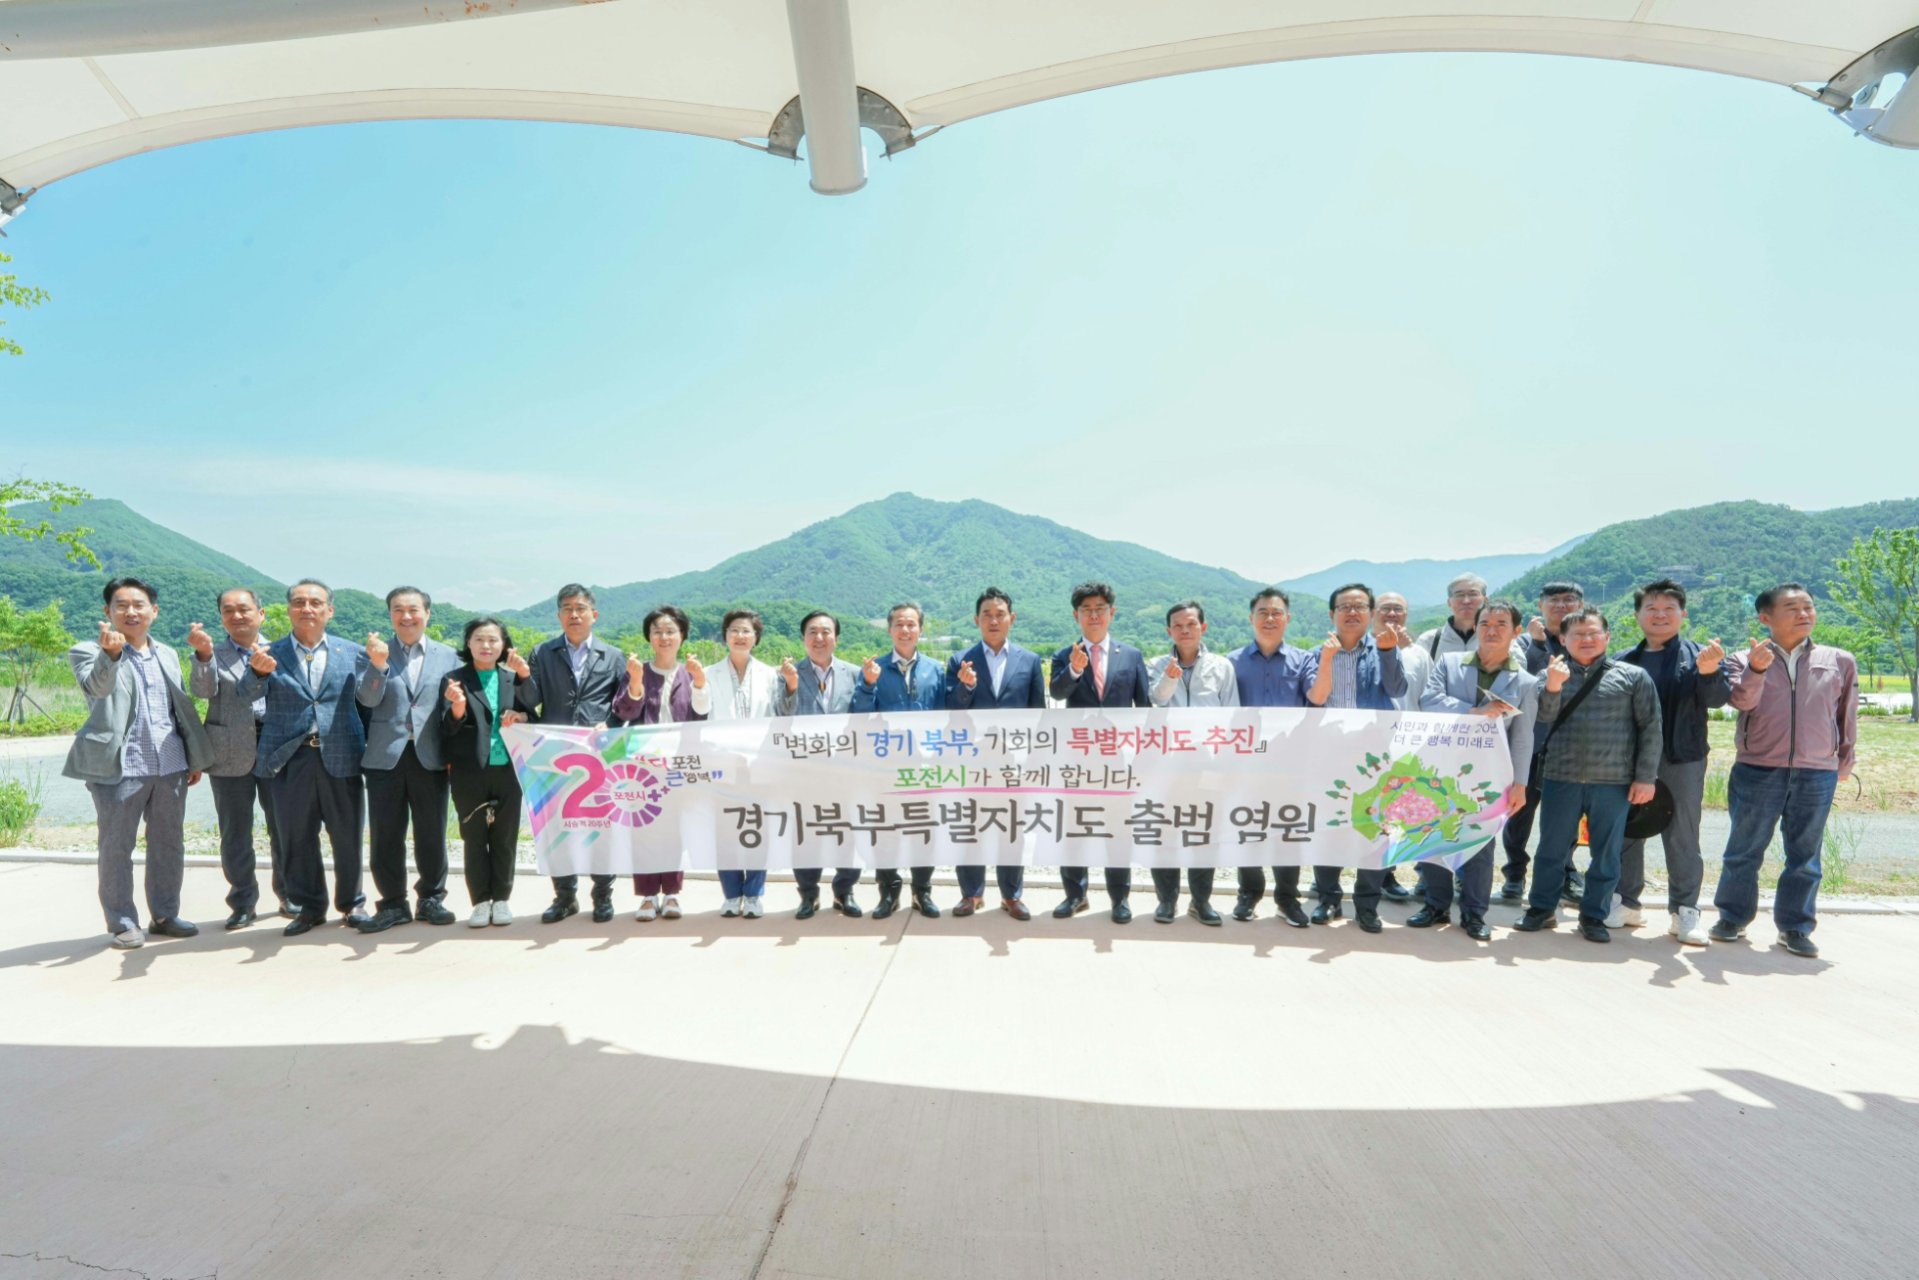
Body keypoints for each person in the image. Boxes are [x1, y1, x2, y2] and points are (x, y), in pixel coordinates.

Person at [1710, 584, 1858, 959]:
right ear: (1766, 617)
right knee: (1743, 850)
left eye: (1808, 607)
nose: (1804, 614)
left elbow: (1846, 715)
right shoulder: (1742, 659)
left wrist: (1844, 760)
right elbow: (1742, 702)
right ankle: (1732, 917)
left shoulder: (1839, 660)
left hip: (1817, 771)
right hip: (1757, 768)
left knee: (1805, 855)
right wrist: (1757, 669)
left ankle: (1795, 927)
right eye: (1792, 608)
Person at [64, 577, 212, 949]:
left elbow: (178, 710)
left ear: (154, 611)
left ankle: (165, 915)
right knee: (116, 847)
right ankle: (122, 922)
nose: (131, 612)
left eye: (139, 604)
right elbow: (97, 689)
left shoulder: (167, 654)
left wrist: (192, 757)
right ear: (108, 611)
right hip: (119, 767)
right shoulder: (86, 651)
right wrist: (110, 655)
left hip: (170, 764)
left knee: (169, 843)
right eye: (122, 605)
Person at [1513, 606, 1661, 944]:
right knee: (1551, 849)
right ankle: (1541, 909)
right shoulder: (1549, 674)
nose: (1586, 639)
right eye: (1578, 634)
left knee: (1606, 854)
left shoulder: (1633, 676)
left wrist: (1646, 777)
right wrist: (1553, 687)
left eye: (1594, 633)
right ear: (1563, 639)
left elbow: (1651, 728)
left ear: (1607, 637)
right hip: (1560, 777)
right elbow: (1542, 719)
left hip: (1613, 780)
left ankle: (1594, 915)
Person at [237, 579, 372, 937]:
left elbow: (370, 701)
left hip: (341, 754)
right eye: (299, 602)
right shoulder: (269, 652)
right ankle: (309, 907)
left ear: (330, 610)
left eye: (315, 602)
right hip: (289, 757)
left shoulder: (353, 652)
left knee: (347, 834)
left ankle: (353, 903)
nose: (306, 609)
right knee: (296, 836)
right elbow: (245, 695)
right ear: (289, 610)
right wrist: (257, 672)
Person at [1413, 599, 1539, 941]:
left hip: (1489, 775)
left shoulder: (1525, 682)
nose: (1491, 630)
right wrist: (1475, 711)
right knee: (1434, 836)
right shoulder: (1450, 663)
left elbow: (1523, 737)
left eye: (1501, 624)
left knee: (1480, 845)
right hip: (1440, 768)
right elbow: (1429, 701)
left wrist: (1520, 784)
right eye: (1485, 623)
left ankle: (1474, 913)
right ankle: (1435, 904)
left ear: (1516, 631)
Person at [1615, 579, 1731, 946]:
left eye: (1669, 609)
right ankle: (1625, 902)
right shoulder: (1622, 660)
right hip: (1630, 759)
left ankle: (1684, 910)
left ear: (1683, 614)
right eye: (1651, 608)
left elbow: (1717, 700)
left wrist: (1709, 671)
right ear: (1638, 615)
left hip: (1682, 758)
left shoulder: (1699, 655)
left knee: (1682, 834)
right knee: (1628, 829)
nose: (1660, 615)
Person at [353, 586, 463, 933]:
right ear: (390, 615)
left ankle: (431, 899)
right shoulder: (371, 654)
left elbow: (453, 708)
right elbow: (367, 700)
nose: (406, 616)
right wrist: (378, 665)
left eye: (413, 609)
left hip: (430, 755)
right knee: (385, 834)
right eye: (398, 610)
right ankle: (392, 904)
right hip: (385, 756)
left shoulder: (450, 657)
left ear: (427, 613)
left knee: (432, 832)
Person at [1302, 583, 1408, 932]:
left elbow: (1397, 689)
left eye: (1359, 606)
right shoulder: (1316, 654)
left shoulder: (1384, 648)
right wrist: (1327, 659)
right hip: (1329, 755)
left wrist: (1389, 653)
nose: (1351, 612)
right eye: (1344, 607)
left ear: (1371, 614)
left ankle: (1367, 906)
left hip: (1376, 758)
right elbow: (1314, 700)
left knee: (1374, 829)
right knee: (1328, 828)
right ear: (1331, 614)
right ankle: (1328, 899)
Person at [517, 584, 625, 924]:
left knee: (602, 827)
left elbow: (623, 705)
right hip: (554, 754)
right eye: (567, 609)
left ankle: (603, 896)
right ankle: (564, 897)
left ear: (594, 614)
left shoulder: (613, 655)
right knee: (557, 826)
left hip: (598, 755)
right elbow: (530, 700)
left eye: (580, 608)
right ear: (558, 615)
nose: (574, 614)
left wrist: (610, 724)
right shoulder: (542, 652)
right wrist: (523, 678)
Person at [1048, 581, 1152, 923]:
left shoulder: (1131, 655)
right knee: (1074, 828)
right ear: (1076, 616)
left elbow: (1144, 708)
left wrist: (1142, 758)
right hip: (1077, 759)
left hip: (1119, 760)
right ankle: (1075, 896)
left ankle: (1119, 899)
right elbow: (1058, 693)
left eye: (1100, 609)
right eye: (1086, 610)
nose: (1094, 616)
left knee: (1117, 830)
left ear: (1112, 613)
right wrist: (1075, 669)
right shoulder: (1064, 655)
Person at [187, 587, 288, 927]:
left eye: (244, 609)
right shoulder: (211, 653)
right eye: (228, 611)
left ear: (261, 614)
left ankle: (289, 893)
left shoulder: (283, 651)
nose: (237, 615)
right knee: (235, 832)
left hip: (277, 748)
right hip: (228, 750)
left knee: (283, 827)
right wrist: (203, 656)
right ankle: (243, 902)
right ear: (221, 618)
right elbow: (202, 691)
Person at [945, 588, 1046, 920]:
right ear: (976, 620)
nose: (993, 620)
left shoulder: (1030, 661)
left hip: (1014, 763)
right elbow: (951, 712)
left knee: (1011, 829)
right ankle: (971, 894)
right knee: (970, 827)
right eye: (986, 614)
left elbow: (1038, 714)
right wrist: (966, 687)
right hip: (973, 762)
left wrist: (1035, 760)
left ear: (1011, 619)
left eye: (999, 614)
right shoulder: (960, 660)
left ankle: (1011, 896)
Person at [609, 605, 711, 921]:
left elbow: (701, 715)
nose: (664, 637)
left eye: (670, 631)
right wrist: (636, 682)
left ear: (682, 636)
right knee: (644, 829)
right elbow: (624, 712)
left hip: (679, 766)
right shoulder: (637, 671)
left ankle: (672, 894)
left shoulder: (690, 673)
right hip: (643, 768)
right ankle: (647, 896)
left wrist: (699, 682)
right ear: (649, 637)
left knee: (674, 829)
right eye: (657, 631)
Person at [1145, 599, 1237, 925]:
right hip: (1167, 763)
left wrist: (1224, 764)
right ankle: (1166, 901)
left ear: (1203, 627)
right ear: (1168, 631)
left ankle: (1201, 902)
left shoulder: (1222, 667)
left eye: (1191, 624)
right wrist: (1169, 679)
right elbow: (1154, 701)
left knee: (1204, 832)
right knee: (1164, 832)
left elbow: (1232, 716)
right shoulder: (1155, 664)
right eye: (1178, 626)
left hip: (1207, 763)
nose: (1185, 631)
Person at [852, 601, 946, 920]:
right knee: (886, 831)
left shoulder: (935, 669)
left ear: (920, 629)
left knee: (924, 830)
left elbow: (945, 717)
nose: (905, 630)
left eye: (911, 624)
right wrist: (868, 684)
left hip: (925, 768)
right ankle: (888, 893)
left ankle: (922, 892)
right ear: (890, 629)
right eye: (899, 624)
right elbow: (859, 716)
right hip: (886, 769)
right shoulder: (874, 668)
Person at [438, 617, 531, 927]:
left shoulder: (512, 678)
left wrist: (520, 716)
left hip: (509, 768)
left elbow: (531, 715)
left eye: (493, 640)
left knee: (504, 837)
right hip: (469, 771)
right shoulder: (454, 679)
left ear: (503, 645)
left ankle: (501, 899)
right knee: (474, 837)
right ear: (468, 643)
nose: (486, 645)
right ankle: (479, 902)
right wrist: (457, 708)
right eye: (479, 639)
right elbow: (446, 729)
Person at [1227, 588, 1312, 927]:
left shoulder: (1304, 660)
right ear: (1251, 618)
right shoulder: (1231, 662)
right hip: (1245, 759)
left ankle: (1287, 899)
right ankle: (1248, 894)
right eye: (1263, 612)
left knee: (1287, 828)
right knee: (1247, 826)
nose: (1270, 618)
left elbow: (1316, 700)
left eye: (1277, 613)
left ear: (1287, 619)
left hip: (1290, 761)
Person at [774, 610, 865, 919]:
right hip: (804, 771)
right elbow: (780, 719)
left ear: (836, 637)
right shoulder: (787, 674)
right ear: (803, 638)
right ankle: (808, 894)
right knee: (805, 832)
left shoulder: (855, 674)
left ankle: (844, 891)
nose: (819, 638)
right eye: (812, 632)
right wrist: (790, 687)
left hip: (845, 770)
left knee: (848, 830)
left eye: (826, 631)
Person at [1502, 581, 1588, 903]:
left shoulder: (1583, 641)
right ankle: (1515, 874)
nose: (1562, 605)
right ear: (1541, 605)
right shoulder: (1524, 642)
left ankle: (1566, 872)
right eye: (1554, 600)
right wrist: (1538, 645)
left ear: (1580, 605)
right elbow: (1523, 682)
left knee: (1568, 816)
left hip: (1571, 744)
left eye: (1569, 600)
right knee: (1519, 813)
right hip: (1531, 743)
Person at [707, 608, 783, 917]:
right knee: (725, 831)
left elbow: (776, 716)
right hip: (722, 764)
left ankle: (753, 894)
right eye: (734, 630)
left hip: (758, 766)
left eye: (746, 631)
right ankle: (730, 894)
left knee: (757, 830)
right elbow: (701, 714)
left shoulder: (769, 675)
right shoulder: (708, 674)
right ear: (725, 636)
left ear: (756, 638)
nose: (740, 635)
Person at [1372, 590, 1426, 902]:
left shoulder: (1419, 653)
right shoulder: (1360, 648)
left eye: (1398, 609)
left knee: (1393, 815)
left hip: (1407, 746)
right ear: (1373, 613)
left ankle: (1386, 874)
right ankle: (1333, 876)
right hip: (1366, 745)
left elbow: (1428, 699)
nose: (1392, 614)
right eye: (1385, 609)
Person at [1414, 573, 1487, 661]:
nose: (1466, 601)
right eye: (1459, 595)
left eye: (1473, 594)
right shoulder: (1429, 641)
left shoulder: (1498, 639)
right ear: (1449, 602)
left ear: (1485, 600)